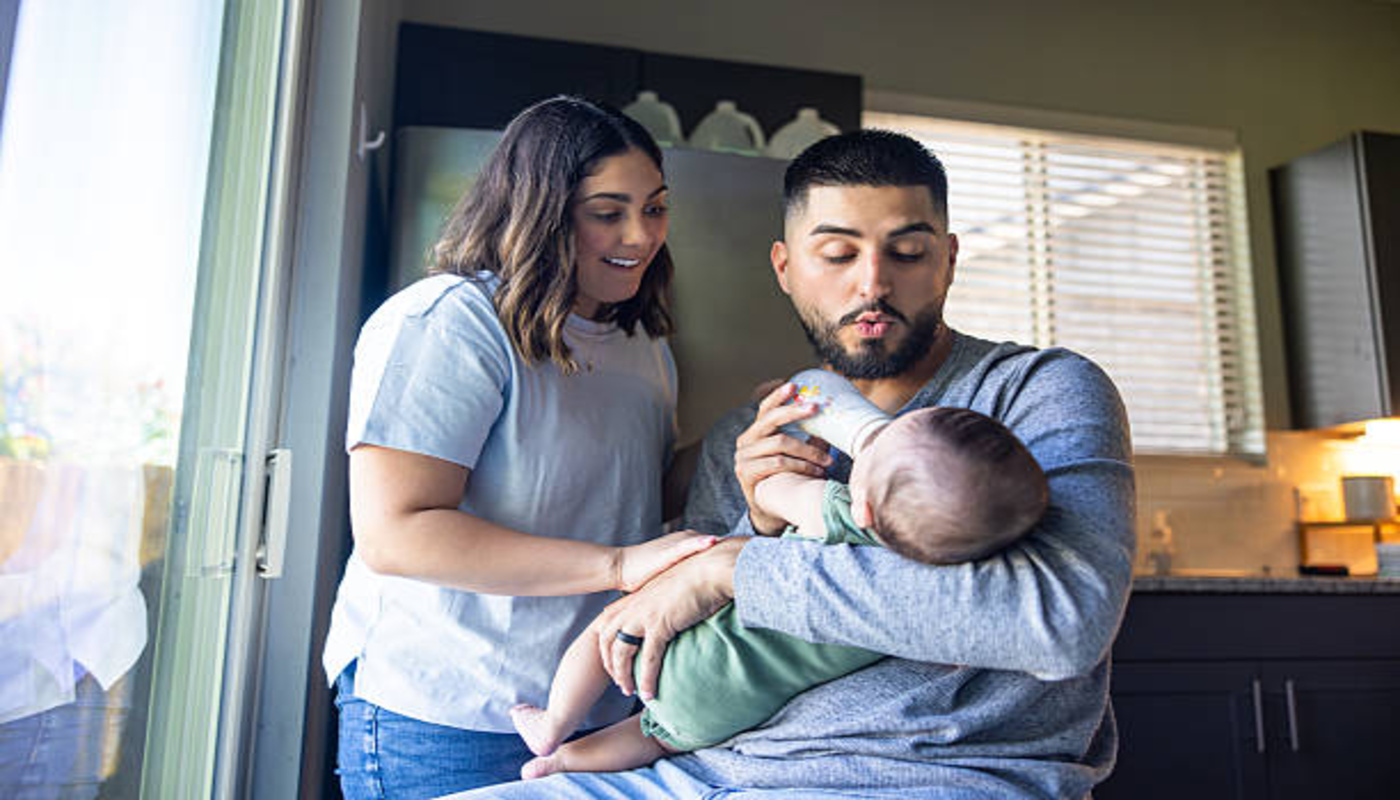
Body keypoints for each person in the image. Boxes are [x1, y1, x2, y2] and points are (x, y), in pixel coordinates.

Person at [449, 129, 1135, 799]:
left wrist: (734, 568)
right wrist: (755, 525)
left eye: (908, 251)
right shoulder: (750, 438)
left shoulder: (1037, 391)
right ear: (785, 268)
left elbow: (1059, 622)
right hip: (705, 770)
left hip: (935, 776)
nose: (874, 283)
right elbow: (704, 646)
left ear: (948, 260)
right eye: (838, 254)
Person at [321, 96, 720, 798]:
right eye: (607, 211)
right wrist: (620, 565)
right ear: (540, 210)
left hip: (592, 720)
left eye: (655, 208)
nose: (641, 234)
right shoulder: (449, 323)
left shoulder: (639, 343)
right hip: (444, 716)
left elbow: (631, 501)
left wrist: (739, 438)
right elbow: (396, 534)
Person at [507, 388, 1048, 779]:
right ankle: (563, 763)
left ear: (863, 503)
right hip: (729, 708)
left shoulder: (844, 514)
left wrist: (789, 479)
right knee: (653, 736)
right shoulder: (935, 581)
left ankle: (554, 726)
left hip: (689, 652)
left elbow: (769, 492)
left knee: (611, 625)